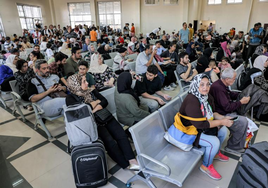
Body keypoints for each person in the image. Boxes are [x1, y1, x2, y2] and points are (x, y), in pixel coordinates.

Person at [66, 73, 139, 170]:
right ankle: (124, 164)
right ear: (76, 84)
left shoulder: (91, 90)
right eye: (84, 81)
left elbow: (104, 101)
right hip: (93, 124)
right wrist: (96, 103)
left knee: (121, 135)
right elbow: (81, 113)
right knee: (110, 143)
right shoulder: (70, 98)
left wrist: (93, 108)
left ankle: (132, 159)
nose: (87, 83)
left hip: (105, 116)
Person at [179, 73, 231, 180]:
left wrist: (223, 118)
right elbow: (201, 124)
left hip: (201, 128)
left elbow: (212, 113)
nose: (205, 88)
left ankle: (215, 153)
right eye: (202, 85)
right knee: (214, 142)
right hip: (190, 132)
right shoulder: (191, 100)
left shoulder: (207, 96)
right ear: (196, 85)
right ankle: (206, 166)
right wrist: (221, 122)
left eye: (208, 85)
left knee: (224, 131)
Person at [209, 68, 249, 153]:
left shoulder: (222, 84)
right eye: (234, 79)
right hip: (220, 114)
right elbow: (227, 107)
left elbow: (230, 94)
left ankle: (238, 142)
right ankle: (232, 147)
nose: (235, 80)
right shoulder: (218, 88)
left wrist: (240, 96)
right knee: (242, 121)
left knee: (243, 115)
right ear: (227, 79)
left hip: (224, 110)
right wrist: (241, 102)